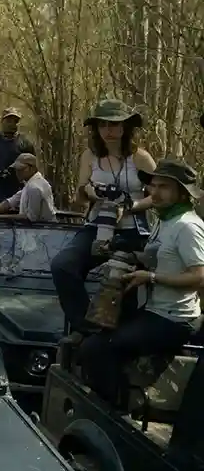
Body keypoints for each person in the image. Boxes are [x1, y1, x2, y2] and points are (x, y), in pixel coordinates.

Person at [77, 159, 204, 406]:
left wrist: (152, 277)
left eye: (164, 187)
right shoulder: (165, 221)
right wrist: (132, 257)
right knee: (92, 333)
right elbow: (160, 256)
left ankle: (117, 411)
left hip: (174, 319)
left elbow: (200, 276)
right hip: (153, 309)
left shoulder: (188, 227)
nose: (154, 192)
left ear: (182, 194)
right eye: (153, 186)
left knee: (97, 350)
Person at [50, 99, 156, 341]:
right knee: (63, 265)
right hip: (97, 226)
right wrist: (91, 192)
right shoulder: (90, 156)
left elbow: (158, 196)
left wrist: (130, 206)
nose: (109, 130)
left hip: (132, 231)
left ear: (125, 128)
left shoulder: (140, 158)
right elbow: (80, 192)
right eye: (103, 125)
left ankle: (119, 340)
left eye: (115, 125)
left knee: (123, 287)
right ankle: (85, 327)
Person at [0, 153, 57, 223]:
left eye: (21, 169)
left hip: (43, 233)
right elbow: (10, 202)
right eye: (16, 170)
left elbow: (30, 218)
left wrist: (0, 218)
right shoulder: (32, 183)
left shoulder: (34, 187)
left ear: (32, 168)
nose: (18, 173)